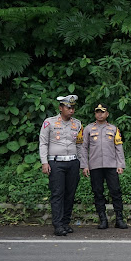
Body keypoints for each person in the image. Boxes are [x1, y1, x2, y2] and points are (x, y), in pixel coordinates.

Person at [39, 95, 83, 236]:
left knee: (70, 194)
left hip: (73, 162)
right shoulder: (49, 123)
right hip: (56, 162)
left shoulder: (77, 124)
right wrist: (44, 162)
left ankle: (65, 222)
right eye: (68, 108)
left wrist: (83, 163)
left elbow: (80, 145)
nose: (71, 110)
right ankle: (58, 225)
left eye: (73, 108)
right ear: (61, 108)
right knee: (58, 193)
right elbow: (43, 143)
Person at [80, 103, 128, 230]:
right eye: (97, 112)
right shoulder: (88, 129)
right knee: (98, 192)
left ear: (107, 114)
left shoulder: (113, 129)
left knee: (115, 192)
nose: (100, 114)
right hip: (95, 166)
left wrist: (120, 164)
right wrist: (84, 165)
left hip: (111, 165)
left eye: (102, 112)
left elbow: (119, 147)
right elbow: (84, 148)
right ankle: (103, 219)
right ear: (95, 114)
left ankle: (119, 219)